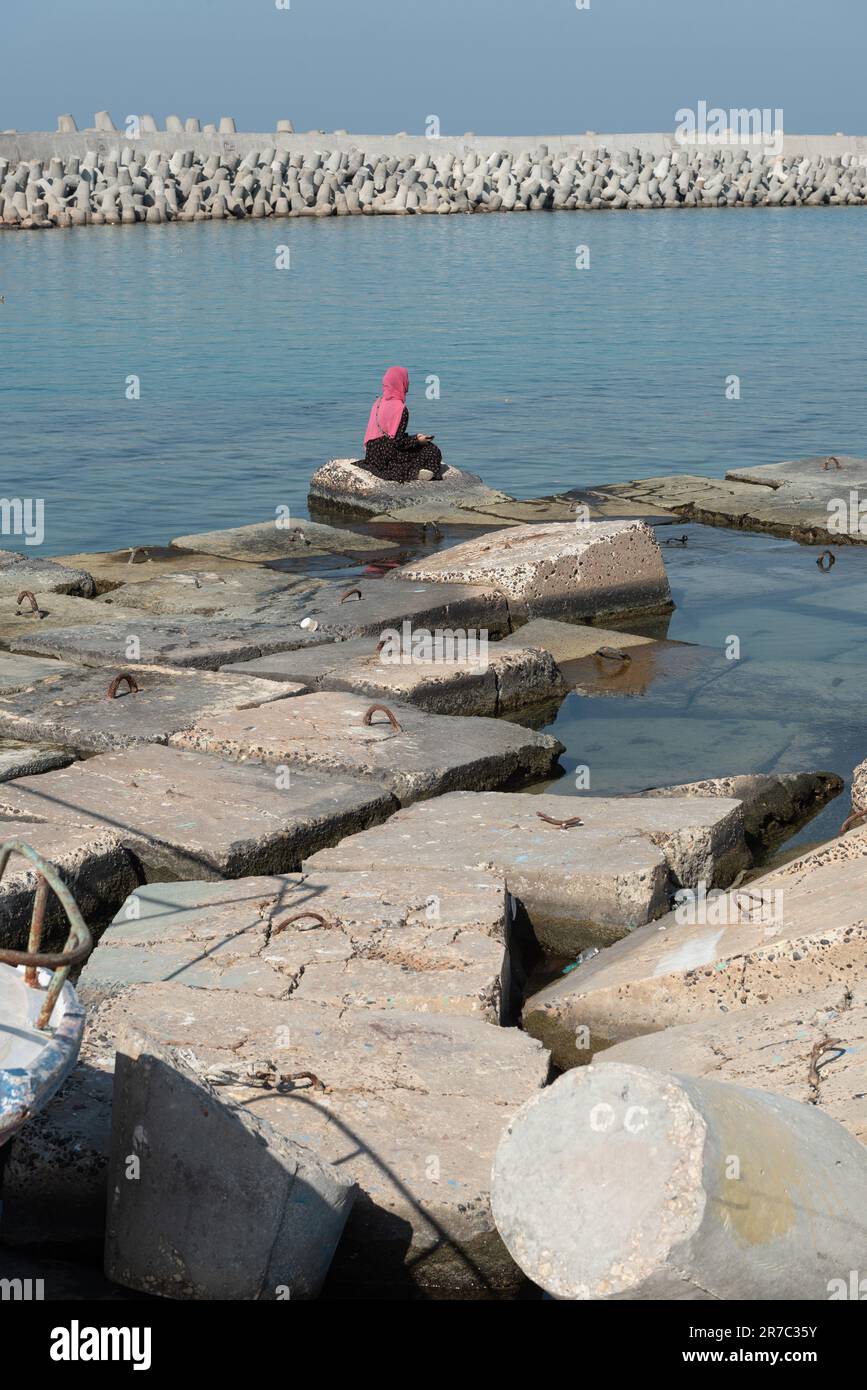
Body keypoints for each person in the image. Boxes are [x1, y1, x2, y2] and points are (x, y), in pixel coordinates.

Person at [361, 366, 444, 483]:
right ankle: (413, 472)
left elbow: (386, 434)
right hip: (386, 454)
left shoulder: (378, 401)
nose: (408, 383)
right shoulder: (400, 409)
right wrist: (417, 440)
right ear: (400, 382)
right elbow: (398, 442)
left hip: (372, 452)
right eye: (406, 379)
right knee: (432, 451)